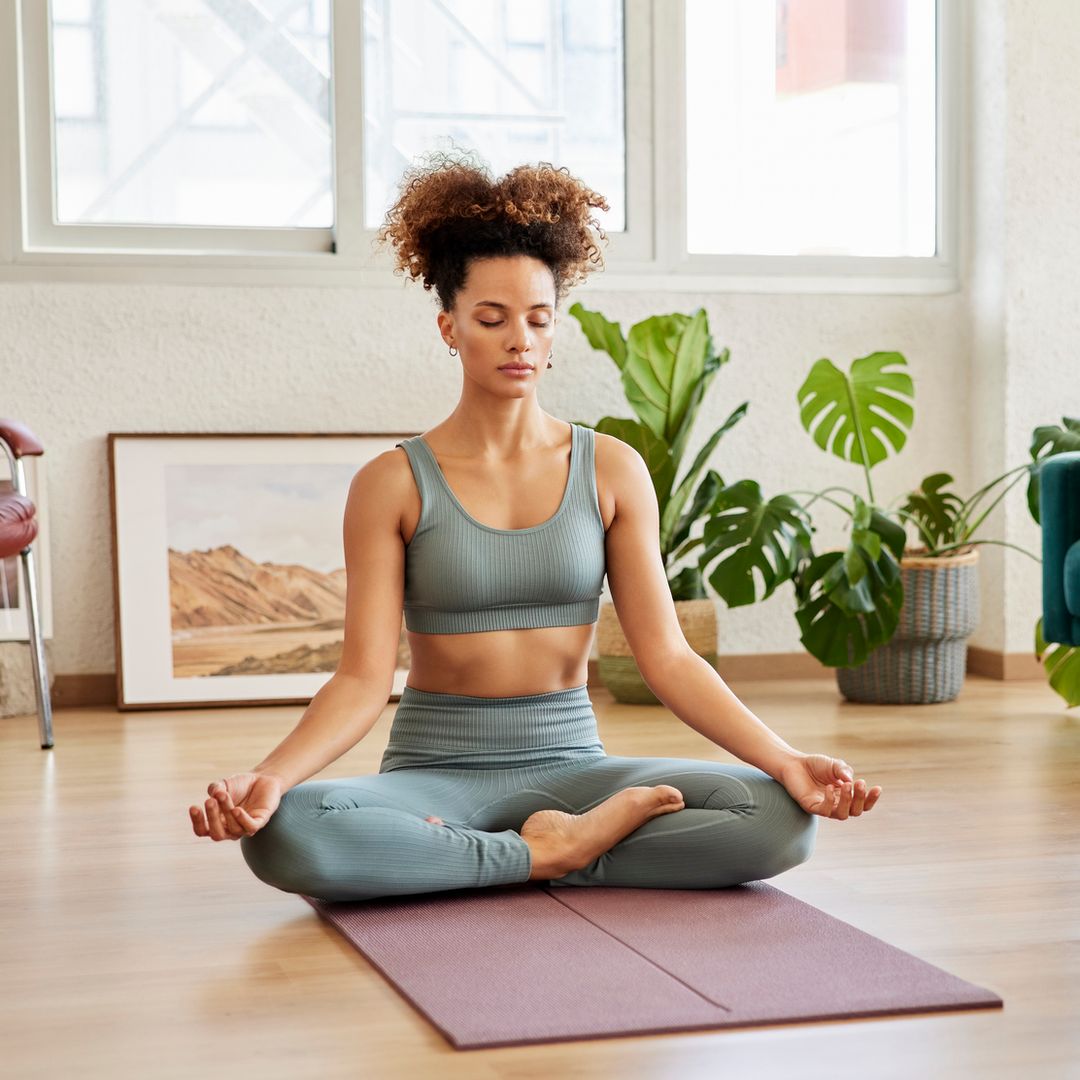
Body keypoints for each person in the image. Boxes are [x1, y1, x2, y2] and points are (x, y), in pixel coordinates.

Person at [188, 150, 882, 902]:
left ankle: (497, 854)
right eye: (492, 319)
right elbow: (361, 680)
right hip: (435, 773)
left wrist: (784, 760)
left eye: (538, 319)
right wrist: (271, 777)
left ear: (554, 334)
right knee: (292, 835)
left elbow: (669, 658)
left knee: (775, 820)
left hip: (577, 767)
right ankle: (554, 854)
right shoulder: (390, 484)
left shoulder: (610, 470)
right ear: (449, 327)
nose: (519, 338)